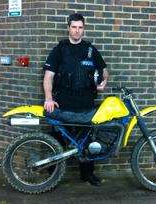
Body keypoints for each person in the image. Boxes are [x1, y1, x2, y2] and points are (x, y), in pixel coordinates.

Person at [43, 13, 109, 186]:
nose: (77, 31)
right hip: (63, 103)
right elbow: (48, 76)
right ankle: (52, 174)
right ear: (68, 28)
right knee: (57, 138)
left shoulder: (90, 50)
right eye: (74, 27)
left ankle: (87, 174)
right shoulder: (60, 49)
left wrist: (103, 82)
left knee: (87, 140)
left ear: (83, 29)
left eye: (80, 27)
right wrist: (48, 99)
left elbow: (104, 70)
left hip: (85, 104)